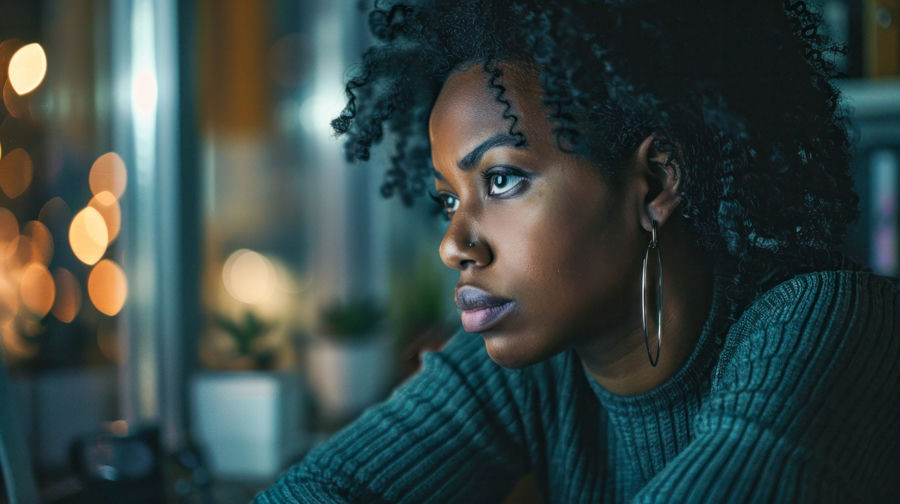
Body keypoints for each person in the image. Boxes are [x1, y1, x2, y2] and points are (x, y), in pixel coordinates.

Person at [255, 0, 900, 502]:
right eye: (450, 198)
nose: (455, 244)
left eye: (502, 179)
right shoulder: (534, 364)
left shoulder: (823, 324)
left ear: (655, 182)